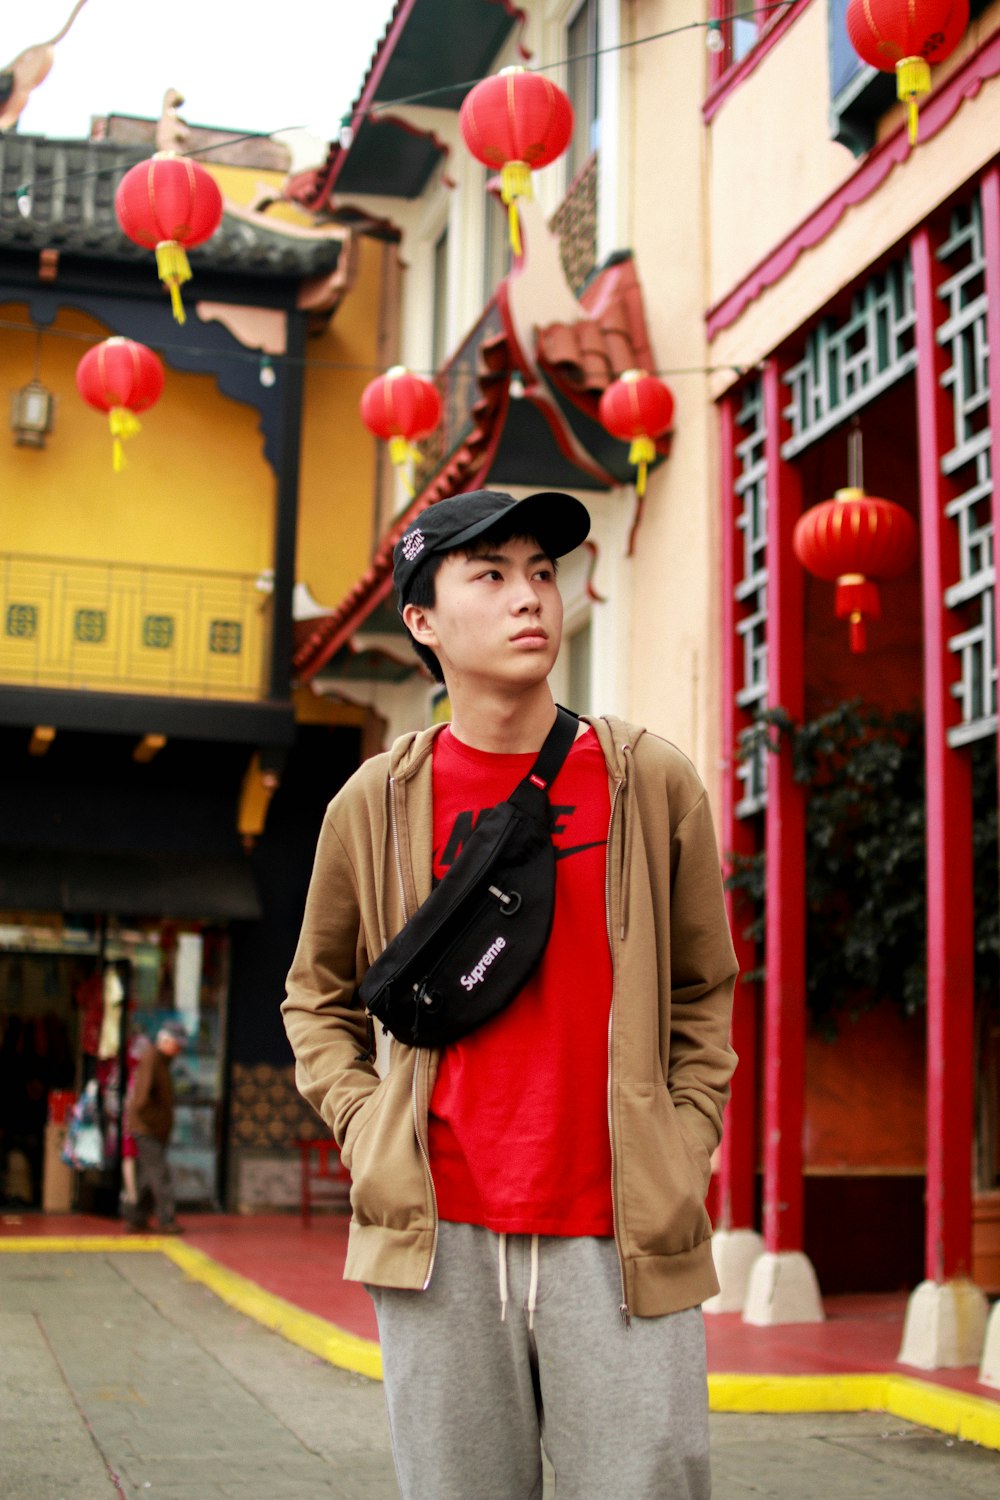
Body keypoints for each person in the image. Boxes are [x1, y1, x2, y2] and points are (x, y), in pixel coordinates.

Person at [283, 489, 738, 1500]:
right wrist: (366, 1127)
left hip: (619, 1232)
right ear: (423, 622)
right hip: (439, 1238)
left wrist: (683, 1138)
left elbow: (705, 992)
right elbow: (314, 996)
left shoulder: (647, 782)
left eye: (541, 572)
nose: (530, 596)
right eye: (489, 575)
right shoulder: (372, 804)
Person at [124, 1020, 187, 1234]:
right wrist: (155, 1124)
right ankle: (166, 1219)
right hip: (147, 1129)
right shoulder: (152, 1058)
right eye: (177, 1044)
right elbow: (141, 1100)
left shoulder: (162, 1061)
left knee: (147, 1175)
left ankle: (137, 1218)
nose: (179, 1050)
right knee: (160, 1174)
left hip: (152, 1129)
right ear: (165, 1040)